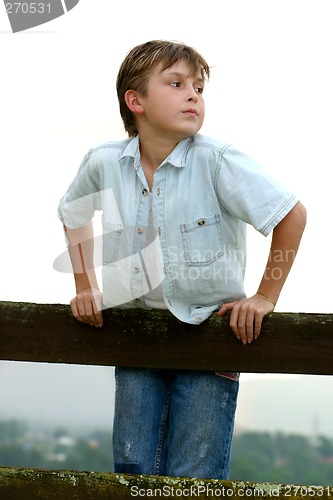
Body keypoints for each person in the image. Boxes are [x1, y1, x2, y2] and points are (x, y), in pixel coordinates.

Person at [57, 40, 306, 479]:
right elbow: (74, 212)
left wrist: (265, 297)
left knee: (196, 476)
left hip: (212, 338)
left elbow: (291, 214)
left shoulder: (218, 160)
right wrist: (83, 285)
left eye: (198, 87)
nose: (193, 94)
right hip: (135, 337)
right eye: (176, 83)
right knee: (133, 472)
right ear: (136, 102)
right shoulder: (104, 162)